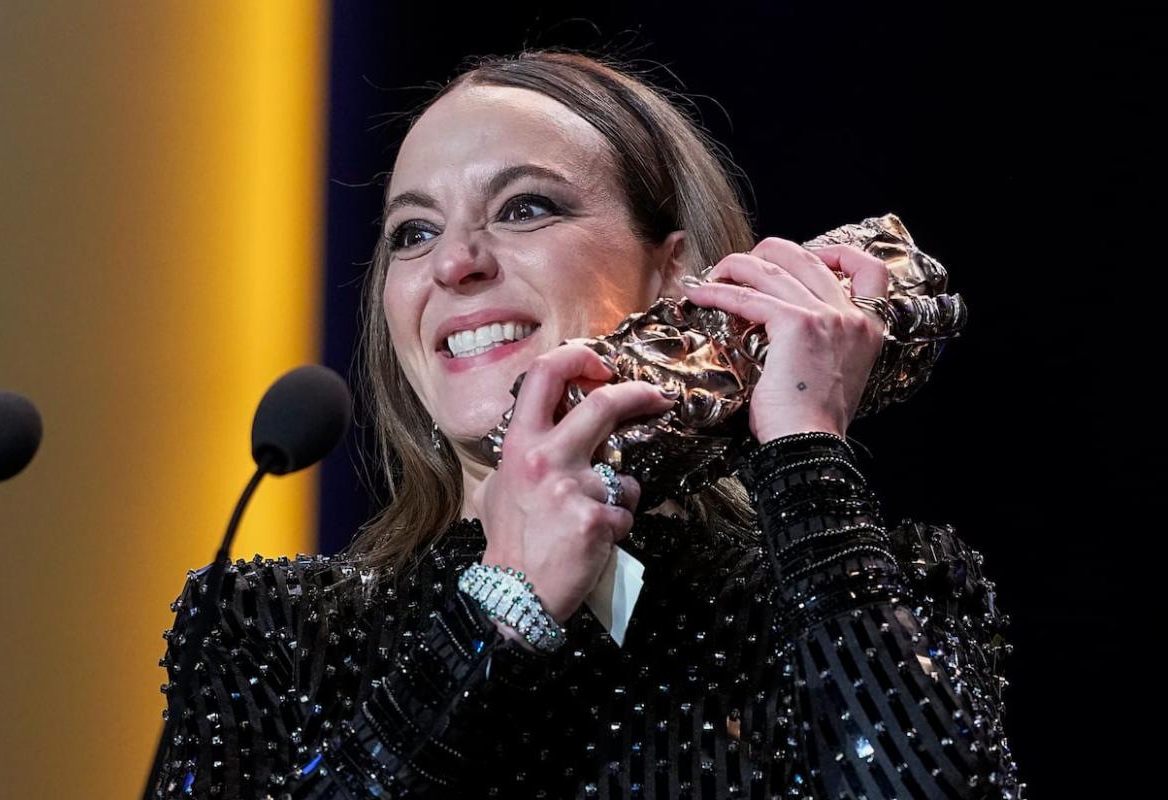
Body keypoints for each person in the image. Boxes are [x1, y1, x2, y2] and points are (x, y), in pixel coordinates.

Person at [149, 50, 1024, 799]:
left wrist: (803, 449)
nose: (455, 263)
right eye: (413, 233)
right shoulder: (268, 632)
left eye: (525, 207)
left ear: (675, 274)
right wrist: (494, 615)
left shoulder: (871, 593)